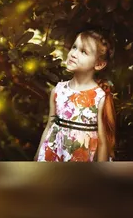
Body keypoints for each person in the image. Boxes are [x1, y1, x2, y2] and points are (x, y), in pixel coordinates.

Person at [34, 29, 116, 162]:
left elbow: (102, 141)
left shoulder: (99, 97)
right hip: (52, 156)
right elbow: (49, 126)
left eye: (83, 52)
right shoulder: (58, 90)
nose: (73, 54)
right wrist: (37, 157)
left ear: (99, 64)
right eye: (74, 47)